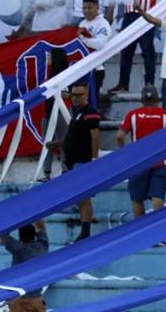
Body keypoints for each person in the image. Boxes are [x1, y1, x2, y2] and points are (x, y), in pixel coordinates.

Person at [116, 86, 166, 221]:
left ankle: (139, 233)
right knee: (158, 196)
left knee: (137, 198)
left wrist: (125, 153)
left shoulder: (132, 115)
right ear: (157, 100)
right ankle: (157, 232)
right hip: (160, 161)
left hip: (138, 162)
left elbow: (119, 136)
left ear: (142, 100)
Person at [52, 83, 101, 241]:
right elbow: (73, 137)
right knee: (80, 198)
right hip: (73, 161)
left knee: (83, 197)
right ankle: (84, 228)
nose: (76, 99)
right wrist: (58, 144)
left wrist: (94, 159)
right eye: (73, 95)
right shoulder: (77, 114)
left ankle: (85, 232)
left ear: (86, 94)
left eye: (79, 95)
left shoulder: (90, 113)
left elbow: (94, 136)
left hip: (83, 161)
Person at [110, 0, 160, 93]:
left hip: (145, 16)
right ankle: (123, 84)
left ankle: (149, 83)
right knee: (126, 51)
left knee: (147, 52)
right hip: (129, 14)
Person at [0, 220, 48, 312]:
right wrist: (38, 214)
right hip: (37, 300)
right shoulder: (43, 247)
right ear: (34, 235)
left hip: (20, 301)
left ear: (20, 237)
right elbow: (41, 228)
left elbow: (3, 236)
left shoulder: (18, 248)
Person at [78, 0, 114, 92]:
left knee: (92, 102)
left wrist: (82, 40)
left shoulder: (103, 23)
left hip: (96, 69)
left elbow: (100, 43)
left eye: (89, 8)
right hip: (81, 69)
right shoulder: (82, 23)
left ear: (97, 7)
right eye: (84, 8)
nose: (86, 11)